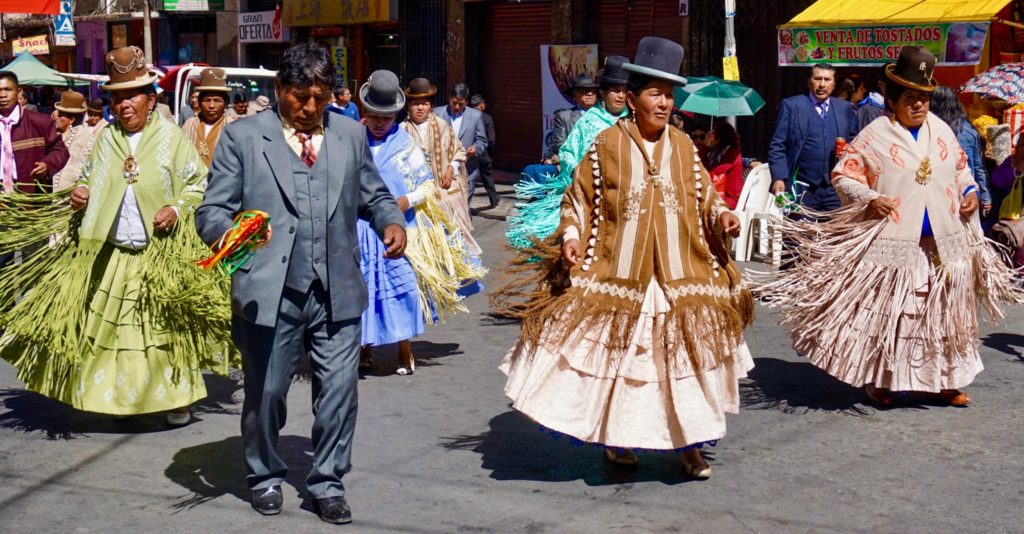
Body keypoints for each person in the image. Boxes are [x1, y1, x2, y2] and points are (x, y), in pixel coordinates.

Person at [496, 37, 751, 477]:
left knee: (683, 365)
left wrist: (723, 215)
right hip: (620, 274)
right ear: (632, 99)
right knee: (628, 368)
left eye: (669, 95)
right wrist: (572, 236)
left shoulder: (684, 147)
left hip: (680, 276)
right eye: (655, 94)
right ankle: (620, 441)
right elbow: (576, 200)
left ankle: (689, 445)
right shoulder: (606, 147)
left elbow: (704, 198)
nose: (665, 103)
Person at [196, 43, 406, 525]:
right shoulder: (243, 138)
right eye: (300, 96)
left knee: (338, 392)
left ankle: (328, 481)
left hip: (337, 287)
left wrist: (390, 221)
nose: (311, 108)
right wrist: (230, 236)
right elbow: (211, 210)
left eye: (321, 96)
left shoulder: (350, 134)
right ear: (279, 90)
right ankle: (265, 474)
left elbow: (374, 195)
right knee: (266, 391)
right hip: (271, 291)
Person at [757, 46, 1021, 408]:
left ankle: (945, 381)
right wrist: (869, 198)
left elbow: (961, 169)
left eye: (924, 99)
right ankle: (882, 381)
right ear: (894, 100)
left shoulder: (942, 131)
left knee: (945, 316)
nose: (919, 106)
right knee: (896, 317)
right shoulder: (875, 134)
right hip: (897, 243)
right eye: (911, 98)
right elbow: (843, 174)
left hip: (943, 244)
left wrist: (971, 191)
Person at [0, 46, 233, 425]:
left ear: (150, 99)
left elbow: (196, 185)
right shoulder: (107, 138)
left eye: (131, 96)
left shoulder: (172, 138)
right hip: (113, 252)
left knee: (162, 333)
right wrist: (82, 194)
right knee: (115, 337)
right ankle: (122, 402)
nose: (123, 105)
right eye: (117, 97)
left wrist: (174, 208)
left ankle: (175, 400)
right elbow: (91, 177)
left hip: (158, 254)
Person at [358, 70, 485, 375]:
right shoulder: (353, 141)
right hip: (362, 228)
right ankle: (364, 348)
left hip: (401, 229)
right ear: (365, 113)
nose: (379, 123)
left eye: (386, 117)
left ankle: (404, 349)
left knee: (402, 288)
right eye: (374, 116)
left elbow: (426, 184)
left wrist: (407, 200)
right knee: (363, 289)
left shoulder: (405, 143)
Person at [505, 55, 629, 249]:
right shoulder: (589, 121)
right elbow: (568, 151)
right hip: (591, 193)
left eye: (624, 91)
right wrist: (584, 171)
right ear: (603, 94)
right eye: (615, 90)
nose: (620, 96)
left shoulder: (635, 121)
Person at [403, 78, 483, 256]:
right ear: (408, 106)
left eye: (424, 103)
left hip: (444, 194)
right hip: (416, 198)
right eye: (416, 104)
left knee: (450, 244)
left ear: (431, 105)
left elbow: (459, 151)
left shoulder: (442, 126)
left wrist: (451, 168)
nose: (420, 108)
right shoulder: (402, 131)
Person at [769, 63, 859, 211]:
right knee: (800, 232)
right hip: (801, 186)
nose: (822, 84)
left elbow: (855, 141)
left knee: (836, 231)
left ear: (834, 84)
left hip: (835, 188)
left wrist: (849, 150)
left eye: (827, 79)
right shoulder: (791, 106)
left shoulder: (845, 108)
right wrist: (779, 177)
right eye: (818, 78)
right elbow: (777, 145)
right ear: (809, 81)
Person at [0, 71, 69, 196]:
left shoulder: (40, 122)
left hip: (31, 196)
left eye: (7, 89)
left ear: (18, 91)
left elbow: (60, 150)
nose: (2, 95)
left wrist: (47, 165)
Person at [932, 85, 992, 216]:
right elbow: (979, 166)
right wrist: (985, 196)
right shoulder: (968, 129)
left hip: (938, 193)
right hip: (967, 194)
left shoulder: (932, 129)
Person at [434, 83, 489, 206]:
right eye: (454, 103)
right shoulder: (437, 113)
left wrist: (475, 148)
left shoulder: (476, 116)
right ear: (449, 99)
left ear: (467, 102)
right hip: (443, 169)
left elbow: (482, 140)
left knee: (463, 206)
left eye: (461, 104)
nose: (457, 107)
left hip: (467, 168)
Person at [181, 67, 234, 168]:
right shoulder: (189, 124)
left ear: (226, 103)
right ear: (200, 103)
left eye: (217, 100)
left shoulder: (231, 127)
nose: (211, 105)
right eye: (207, 100)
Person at [543, 73, 600, 162]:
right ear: (574, 95)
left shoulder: (605, 116)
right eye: (584, 90)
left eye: (593, 90)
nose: (589, 93)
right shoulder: (564, 117)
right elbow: (560, 145)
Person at [51, 90, 93, 191]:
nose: (57, 117)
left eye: (61, 115)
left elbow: (84, 167)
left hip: (70, 192)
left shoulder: (83, 136)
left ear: (72, 119)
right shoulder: (55, 133)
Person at [704, 121, 744, 210]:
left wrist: (706, 146)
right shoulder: (715, 152)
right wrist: (705, 147)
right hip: (716, 194)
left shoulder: (733, 153)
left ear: (718, 138)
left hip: (729, 200)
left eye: (713, 134)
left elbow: (716, 171)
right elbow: (699, 165)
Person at [469, 94, 500, 209]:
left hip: (468, 151)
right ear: (481, 105)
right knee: (487, 176)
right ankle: (494, 199)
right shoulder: (487, 118)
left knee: (468, 178)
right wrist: (489, 152)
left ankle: (465, 202)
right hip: (483, 152)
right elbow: (491, 139)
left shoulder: (466, 116)